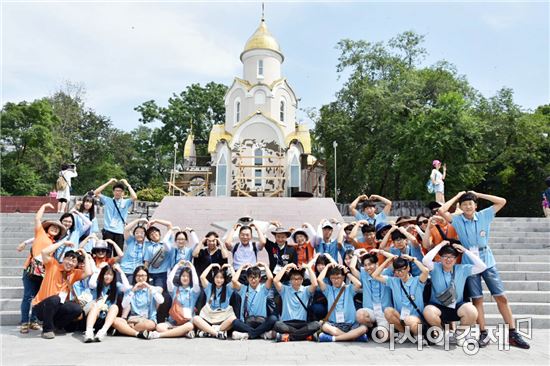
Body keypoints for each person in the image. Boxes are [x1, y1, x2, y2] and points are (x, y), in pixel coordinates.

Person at [439, 191, 530, 349]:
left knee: (501, 297)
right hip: (470, 262)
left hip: (487, 260)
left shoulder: (483, 215)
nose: (468, 206)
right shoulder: (458, 220)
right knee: (477, 299)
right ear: (460, 207)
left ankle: (513, 332)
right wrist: (458, 195)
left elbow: (502, 200)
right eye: (464, 204)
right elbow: (442, 210)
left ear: (475, 205)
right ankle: (483, 333)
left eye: (470, 203)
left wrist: (477, 194)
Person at [422, 242, 486, 345]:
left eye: (451, 257)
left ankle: (459, 335)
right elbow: (425, 260)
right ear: (440, 258)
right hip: (438, 307)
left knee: (472, 311)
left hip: (457, 306)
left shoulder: (462, 269)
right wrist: (440, 245)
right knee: (428, 311)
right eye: (445, 256)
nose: (448, 259)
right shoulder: (435, 267)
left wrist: (464, 250)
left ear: (456, 259)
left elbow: (482, 266)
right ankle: (441, 333)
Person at [17, 203, 67, 334]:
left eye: (57, 229)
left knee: (38, 296)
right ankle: (24, 322)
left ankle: (33, 321)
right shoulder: (40, 233)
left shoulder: (54, 243)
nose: (55, 229)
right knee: (28, 296)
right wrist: (44, 206)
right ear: (48, 227)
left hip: (44, 271)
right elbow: (37, 218)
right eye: (53, 227)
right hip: (31, 269)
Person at [32, 241, 93, 339]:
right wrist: (63, 243)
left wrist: (85, 254)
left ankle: (57, 326)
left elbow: (89, 272)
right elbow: (44, 252)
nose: (70, 263)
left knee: (77, 309)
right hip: (41, 307)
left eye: (73, 261)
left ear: (76, 264)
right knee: (55, 299)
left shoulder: (74, 273)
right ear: (63, 259)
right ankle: (47, 330)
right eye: (68, 259)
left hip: (57, 307)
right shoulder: (53, 265)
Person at [372, 253, 430, 338]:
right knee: (388, 311)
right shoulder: (393, 281)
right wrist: (389, 260)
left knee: (409, 320)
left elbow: (426, 271)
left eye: (403, 269)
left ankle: (418, 335)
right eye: (397, 270)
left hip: (415, 319)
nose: (400, 272)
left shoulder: (417, 281)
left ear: (408, 268)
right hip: (401, 318)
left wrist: (413, 259)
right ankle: (404, 334)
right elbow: (375, 275)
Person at [316, 262, 367, 342]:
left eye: (338, 278)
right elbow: (319, 280)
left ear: (343, 278)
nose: (336, 280)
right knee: (325, 326)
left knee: (364, 328)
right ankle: (353, 337)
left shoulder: (349, 288)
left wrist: (347, 272)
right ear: (330, 278)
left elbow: (358, 284)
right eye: (333, 278)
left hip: (351, 324)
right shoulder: (328, 290)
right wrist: (327, 266)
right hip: (335, 324)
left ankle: (334, 338)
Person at [148, 261, 200, 339]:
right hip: (173, 321)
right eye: (183, 276)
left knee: (189, 326)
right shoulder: (175, 290)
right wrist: (177, 265)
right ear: (180, 277)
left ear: (191, 278)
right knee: (159, 327)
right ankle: (182, 332)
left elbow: (196, 283)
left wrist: (192, 267)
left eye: (188, 276)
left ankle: (161, 335)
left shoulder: (193, 291)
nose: (185, 278)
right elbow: (169, 281)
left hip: (187, 322)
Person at [351, 251, 393, 342]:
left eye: (370, 264)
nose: (367, 267)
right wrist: (355, 254)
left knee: (383, 337)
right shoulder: (364, 274)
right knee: (359, 315)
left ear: (377, 264)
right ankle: (372, 326)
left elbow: (394, 258)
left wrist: (379, 251)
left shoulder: (386, 273)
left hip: (383, 312)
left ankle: (385, 329)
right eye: (365, 265)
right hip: (370, 311)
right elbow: (351, 267)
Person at [273, 263, 321, 342]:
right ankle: (306, 336)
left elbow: (315, 284)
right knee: (277, 325)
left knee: (317, 324)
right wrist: (286, 266)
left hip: (302, 323)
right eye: (293, 279)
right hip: (287, 323)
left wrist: (308, 268)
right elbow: (275, 280)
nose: (296, 281)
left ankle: (288, 337)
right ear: (290, 280)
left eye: (298, 278)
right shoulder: (285, 290)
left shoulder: (306, 290)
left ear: (302, 280)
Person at [112, 266, 164, 339]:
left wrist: (149, 287)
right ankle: (137, 333)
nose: (140, 278)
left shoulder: (152, 289)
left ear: (147, 277)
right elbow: (124, 305)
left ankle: (124, 330)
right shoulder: (131, 289)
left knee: (150, 325)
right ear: (135, 277)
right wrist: (133, 290)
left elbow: (161, 301)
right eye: (138, 276)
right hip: (133, 319)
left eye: (143, 276)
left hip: (147, 320)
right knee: (115, 320)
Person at [84, 263, 131, 342]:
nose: (108, 277)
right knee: (95, 306)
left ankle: (102, 332)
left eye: (110, 275)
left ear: (114, 276)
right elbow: (91, 284)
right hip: (93, 317)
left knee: (114, 307)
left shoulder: (116, 285)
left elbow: (127, 287)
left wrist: (120, 271)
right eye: (105, 274)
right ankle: (89, 332)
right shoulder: (97, 284)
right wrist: (99, 268)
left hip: (107, 319)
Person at [231, 263, 277, 340]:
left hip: (261, 322)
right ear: (247, 278)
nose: (253, 280)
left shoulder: (263, 288)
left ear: (259, 278)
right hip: (248, 322)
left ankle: (249, 334)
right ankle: (260, 334)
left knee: (273, 319)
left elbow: (270, 278)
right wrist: (241, 267)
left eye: (255, 277)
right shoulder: (243, 289)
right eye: (251, 277)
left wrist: (265, 265)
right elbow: (234, 280)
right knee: (235, 322)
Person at [193, 263, 236, 339]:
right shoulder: (209, 287)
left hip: (223, 317)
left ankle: (209, 331)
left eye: (221, 278)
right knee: (196, 319)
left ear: (224, 279)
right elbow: (202, 277)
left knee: (233, 319)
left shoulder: (228, 288)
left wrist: (230, 267)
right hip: (209, 317)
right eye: (217, 277)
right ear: (213, 278)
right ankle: (217, 333)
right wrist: (211, 265)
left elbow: (234, 280)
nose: (219, 280)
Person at [94, 178, 138, 249]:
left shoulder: (126, 202)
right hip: (108, 230)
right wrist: (109, 182)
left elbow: (134, 197)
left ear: (123, 193)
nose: (118, 192)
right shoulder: (107, 200)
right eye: (116, 191)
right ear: (113, 192)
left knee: (118, 255)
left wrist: (127, 184)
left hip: (120, 232)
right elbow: (96, 192)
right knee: (106, 253)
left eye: (120, 191)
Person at [120, 218, 148, 284]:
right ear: (134, 234)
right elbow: (126, 229)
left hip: (135, 273)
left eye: (142, 233)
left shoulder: (147, 246)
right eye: (137, 233)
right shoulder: (131, 241)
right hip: (124, 270)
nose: (139, 234)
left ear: (145, 235)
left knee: (129, 287)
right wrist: (138, 220)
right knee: (119, 290)